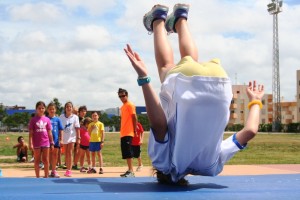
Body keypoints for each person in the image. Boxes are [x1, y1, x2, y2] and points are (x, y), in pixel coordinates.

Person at [124, 4, 265, 185]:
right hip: (188, 83)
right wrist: (143, 78)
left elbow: (250, 131)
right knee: (167, 68)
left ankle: (180, 19)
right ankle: (158, 19)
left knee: (191, 67)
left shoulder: (212, 167)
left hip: (219, 81)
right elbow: (159, 126)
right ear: (159, 175)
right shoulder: (166, 165)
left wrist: (255, 102)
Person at [29, 101, 54, 178]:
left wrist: (52, 142)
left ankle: (46, 176)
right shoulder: (33, 120)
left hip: (46, 142)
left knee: (46, 160)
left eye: (42, 108)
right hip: (36, 143)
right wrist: (30, 143)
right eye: (39, 108)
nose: (41, 109)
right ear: (36, 109)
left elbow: (49, 132)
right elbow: (31, 133)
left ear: (45, 109)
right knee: (37, 160)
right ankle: (37, 177)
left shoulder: (47, 120)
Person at [117, 88, 137, 177]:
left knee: (128, 152)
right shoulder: (122, 107)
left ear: (127, 95)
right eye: (120, 96)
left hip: (129, 132)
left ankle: (131, 171)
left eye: (123, 96)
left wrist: (135, 129)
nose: (121, 97)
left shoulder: (130, 105)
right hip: (123, 133)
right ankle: (129, 169)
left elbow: (134, 117)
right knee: (125, 152)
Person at [59, 101, 80, 177]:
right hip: (64, 137)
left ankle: (69, 170)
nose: (68, 108)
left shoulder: (75, 117)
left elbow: (77, 128)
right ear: (65, 108)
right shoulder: (61, 117)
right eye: (67, 107)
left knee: (70, 152)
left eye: (70, 107)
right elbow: (60, 128)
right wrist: (60, 138)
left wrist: (78, 138)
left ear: (72, 108)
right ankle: (67, 167)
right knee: (66, 153)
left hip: (72, 137)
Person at [47, 102, 64, 178]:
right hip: (47, 141)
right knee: (48, 156)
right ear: (48, 110)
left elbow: (61, 130)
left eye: (53, 109)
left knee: (55, 155)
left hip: (56, 140)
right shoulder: (45, 119)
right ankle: (47, 170)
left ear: (55, 110)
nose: (52, 110)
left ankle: (54, 170)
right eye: (50, 109)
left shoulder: (58, 119)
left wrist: (61, 140)